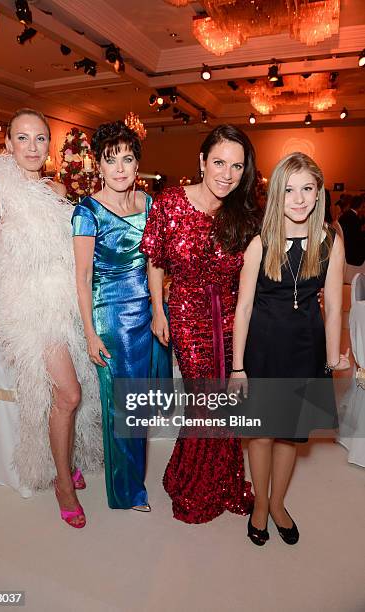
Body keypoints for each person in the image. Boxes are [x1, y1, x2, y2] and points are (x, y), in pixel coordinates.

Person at [0, 108, 102, 528]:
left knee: (71, 392)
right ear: (7, 143)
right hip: (28, 307)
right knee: (69, 393)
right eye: (22, 138)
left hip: (64, 301)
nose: (32, 147)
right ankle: (62, 481)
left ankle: (66, 457)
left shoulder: (57, 190)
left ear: (49, 146)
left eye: (40, 138)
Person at [141, 124, 259, 523]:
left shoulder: (243, 216)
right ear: (202, 161)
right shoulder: (172, 202)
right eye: (220, 162)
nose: (227, 174)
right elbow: (155, 260)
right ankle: (194, 485)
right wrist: (159, 309)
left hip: (231, 318)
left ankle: (217, 478)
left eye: (237, 166)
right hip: (188, 314)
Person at [230, 152, 349, 546]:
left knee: (290, 437)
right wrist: (237, 367)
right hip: (263, 349)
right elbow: (243, 307)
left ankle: (278, 503)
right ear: (277, 194)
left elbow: (333, 306)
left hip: (305, 350)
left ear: (318, 194)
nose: (298, 199)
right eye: (290, 190)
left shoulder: (331, 240)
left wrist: (332, 358)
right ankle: (261, 505)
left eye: (307, 189)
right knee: (261, 435)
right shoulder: (259, 242)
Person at [72, 121, 170, 511]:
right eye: (111, 161)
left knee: (140, 403)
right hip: (111, 317)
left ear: (137, 164)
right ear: (98, 165)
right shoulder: (87, 211)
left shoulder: (147, 203)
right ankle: (126, 491)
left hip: (145, 313)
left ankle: (132, 479)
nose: (120, 168)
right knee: (123, 406)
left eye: (127, 159)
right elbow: (80, 278)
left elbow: (154, 263)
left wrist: (159, 311)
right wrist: (90, 334)